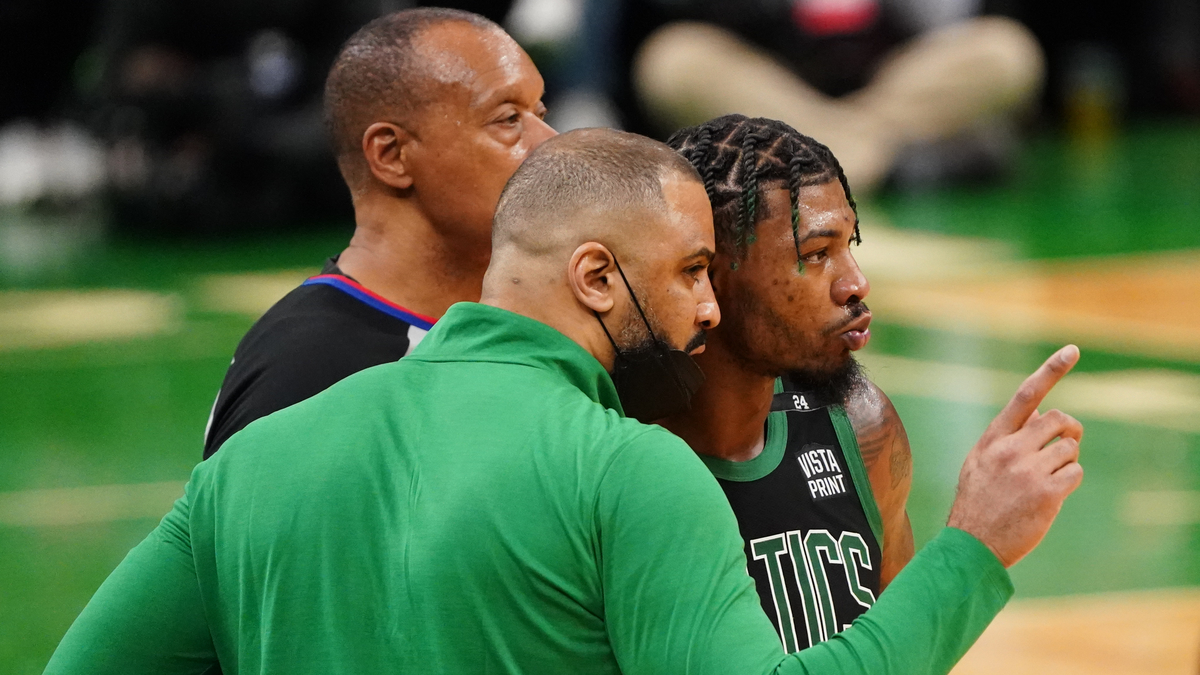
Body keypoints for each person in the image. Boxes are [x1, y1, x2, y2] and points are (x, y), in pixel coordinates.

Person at [46, 127, 1083, 675]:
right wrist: (975, 550)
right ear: (596, 278)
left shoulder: (250, 467)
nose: (703, 310)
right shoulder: (627, 468)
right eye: (686, 273)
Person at [202, 7, 555, 457]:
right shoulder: (310, 370)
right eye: (508, 120)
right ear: (391, 155)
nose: (550, 142)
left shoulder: (545, 324)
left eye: (541, 112)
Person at [662, 114, 912, 650]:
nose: (855, 283)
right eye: (817, 254)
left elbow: (909, 654)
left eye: (850, 245)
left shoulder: (863, 424)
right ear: (708, 272)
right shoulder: (602, 451)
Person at [633, 1, 1044, 192]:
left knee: (1008, 50)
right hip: (778, 89)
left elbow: (947, 25)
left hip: (888, 91)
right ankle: (878, 164)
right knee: (671, 58)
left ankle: (816, 161)